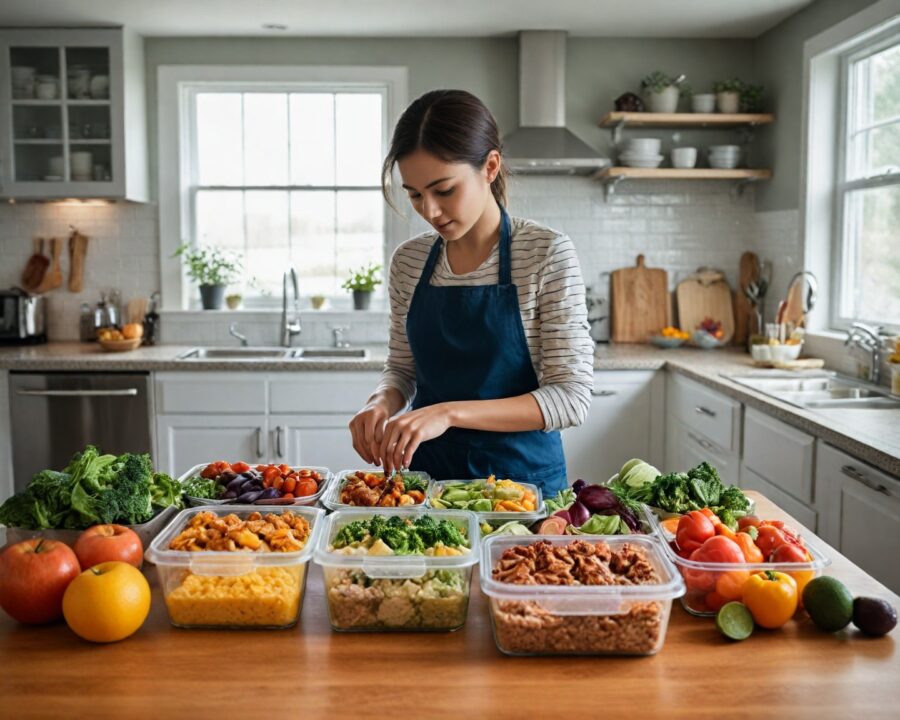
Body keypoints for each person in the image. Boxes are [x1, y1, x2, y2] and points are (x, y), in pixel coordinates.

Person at [348, 89, 594, 496]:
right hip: (426, 488)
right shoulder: (409, 262)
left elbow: (571, 398)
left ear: (490, 166)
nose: (429, 211)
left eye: (444, 190)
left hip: (524, 491)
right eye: (414, 194)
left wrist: (448, 413)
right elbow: (402, 369)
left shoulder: (546, 253)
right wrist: (380, 403)